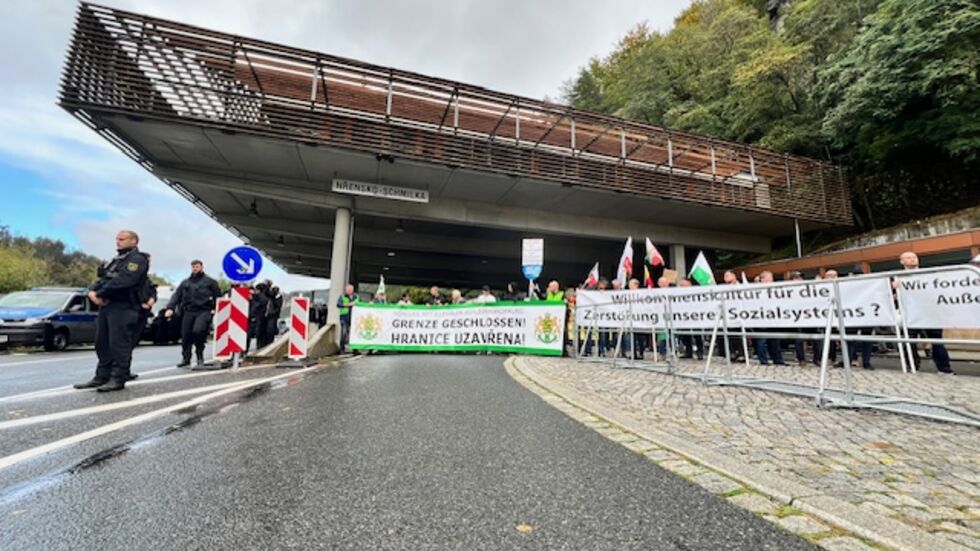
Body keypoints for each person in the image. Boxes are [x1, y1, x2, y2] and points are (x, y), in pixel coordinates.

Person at [74, 230, 149, 392]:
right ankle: (102, 376)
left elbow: (125, 281)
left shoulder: (137, 259)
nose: (118, 242)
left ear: (134, 241)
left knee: (118, 344)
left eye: (122, 239)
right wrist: (92, 291)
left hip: (124, 307)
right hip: (108, 306)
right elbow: (104, 279)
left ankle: (118, 378)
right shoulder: (115, 260)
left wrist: (101, 294)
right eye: (117, 239)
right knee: (102, 343)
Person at [897, 251, 954, 374]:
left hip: (930, 313)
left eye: (914, 257)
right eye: (908, 257)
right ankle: (912, 367)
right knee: (909, 342)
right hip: (910, 315)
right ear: (902, 261)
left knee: (937, 341)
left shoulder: (928, 275)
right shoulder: (897, 277)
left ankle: (944, 368)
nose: (912, 259)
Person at [165, 259, 221, 367]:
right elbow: (177, 296)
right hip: (188, 311)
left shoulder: (210, 282)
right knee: (186, 335)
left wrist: (215, 308)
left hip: (203, 311)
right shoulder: (186, 282)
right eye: (193, 267)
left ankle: (200, 357)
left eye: (197, 266)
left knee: (198, 331)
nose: (195, 269)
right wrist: (170, 308)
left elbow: (218, 296)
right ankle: (186, 358)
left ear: (201, 267)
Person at [753, 271, 786, 366]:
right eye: (769, 278)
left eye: (771, 278)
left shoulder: (774, 289)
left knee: (774, 339)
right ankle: (763, 360)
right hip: (761, 319)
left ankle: (778, 360)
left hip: (773, 318)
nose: (771, 280)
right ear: (762, 279)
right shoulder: (755, 290)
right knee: (762, 340)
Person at [677, 278, 703, 360]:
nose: (682, 286)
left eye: (683, 284)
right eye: (681, 285)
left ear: (689, 284)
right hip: (684, 316)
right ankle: (688, 352)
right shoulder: (678, 293)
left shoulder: (696, 292)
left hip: (695, 316)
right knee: (685, 335)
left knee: (697, 335)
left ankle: (700, 352)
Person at [583, 278, 609, 357]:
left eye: (604, 285)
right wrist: (586, 284)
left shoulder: (607, 293)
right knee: (588, 332)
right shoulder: (591, 291)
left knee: (602, 333)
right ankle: (588, 350)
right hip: (591, 314)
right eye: (601, 285)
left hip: (602, 315)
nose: (602, 287)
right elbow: (583, 293)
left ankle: (601, 351)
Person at [337, 284, 358, 352]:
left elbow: (359, 303)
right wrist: (348, 305)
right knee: (344, 333)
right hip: (344, 317)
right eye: (348, 289)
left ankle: (355, 349)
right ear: (346, 290)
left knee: (354, 334)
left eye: (351, 289)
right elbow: (338, 305)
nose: (349, 291)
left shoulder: (356, 296)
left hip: (354, 317)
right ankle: (342, 348)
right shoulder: (342, 296)